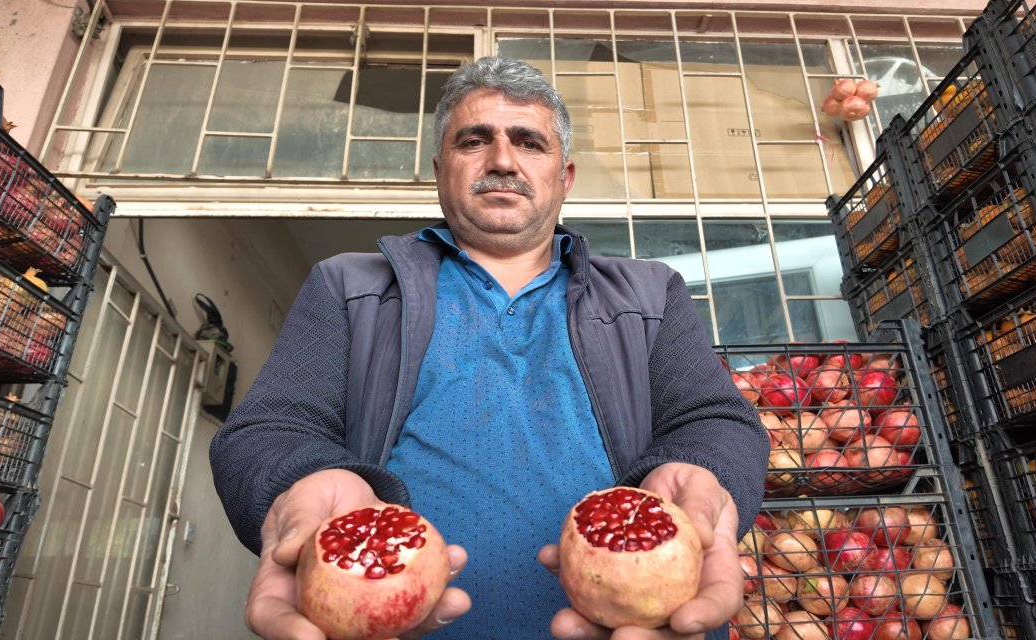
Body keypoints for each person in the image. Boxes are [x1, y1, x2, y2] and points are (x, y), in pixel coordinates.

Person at [209, 56, 768, 640]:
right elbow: (265, 430)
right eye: (474, 141)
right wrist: (295, 488)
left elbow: (715, 419)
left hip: (643, 622)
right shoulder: (350, 286)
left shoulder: (650, 293)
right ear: (439, 168)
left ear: (565, 176)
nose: (502, 160)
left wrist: (700, 475)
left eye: (529, 142)